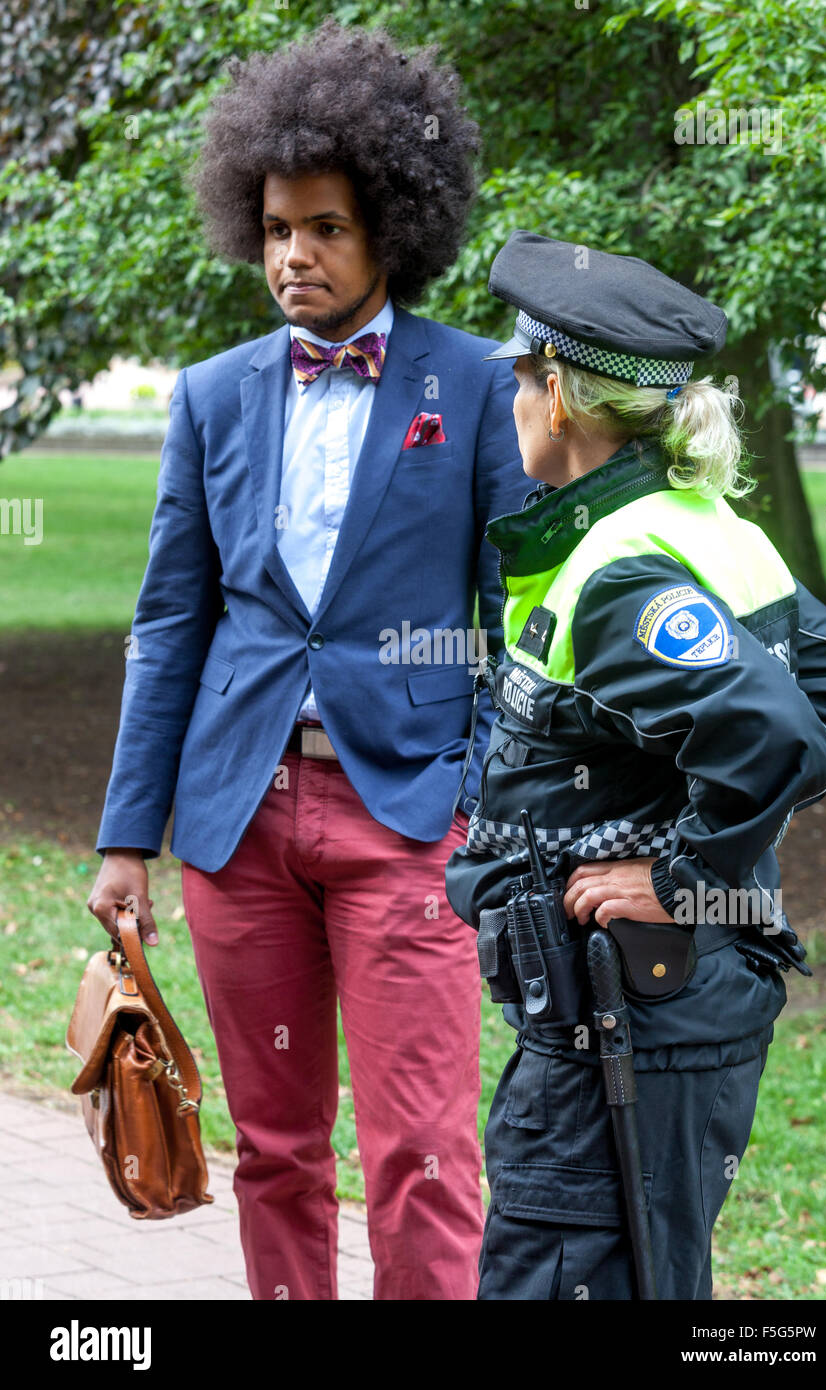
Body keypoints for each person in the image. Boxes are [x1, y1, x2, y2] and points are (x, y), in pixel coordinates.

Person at [86, 21, 528, 1301]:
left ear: (390, 226)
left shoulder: (477, 383)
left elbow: (516, 616)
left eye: (326, 227)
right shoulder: (212, 396)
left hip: (405, 819)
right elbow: (171, 619)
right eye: (278, 228)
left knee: (423, 1152)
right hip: (241, 821)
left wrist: (477, 795)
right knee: (276, 1151)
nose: (296, 254)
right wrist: (129, 834)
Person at [445, 229, 826, 1300]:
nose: (509, 406)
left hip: (622, 1023)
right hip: (665, 1012)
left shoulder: (621, 565)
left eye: (518, 382)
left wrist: (682, 879)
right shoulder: (705, 526)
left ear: (559, 398)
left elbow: (768, 734)